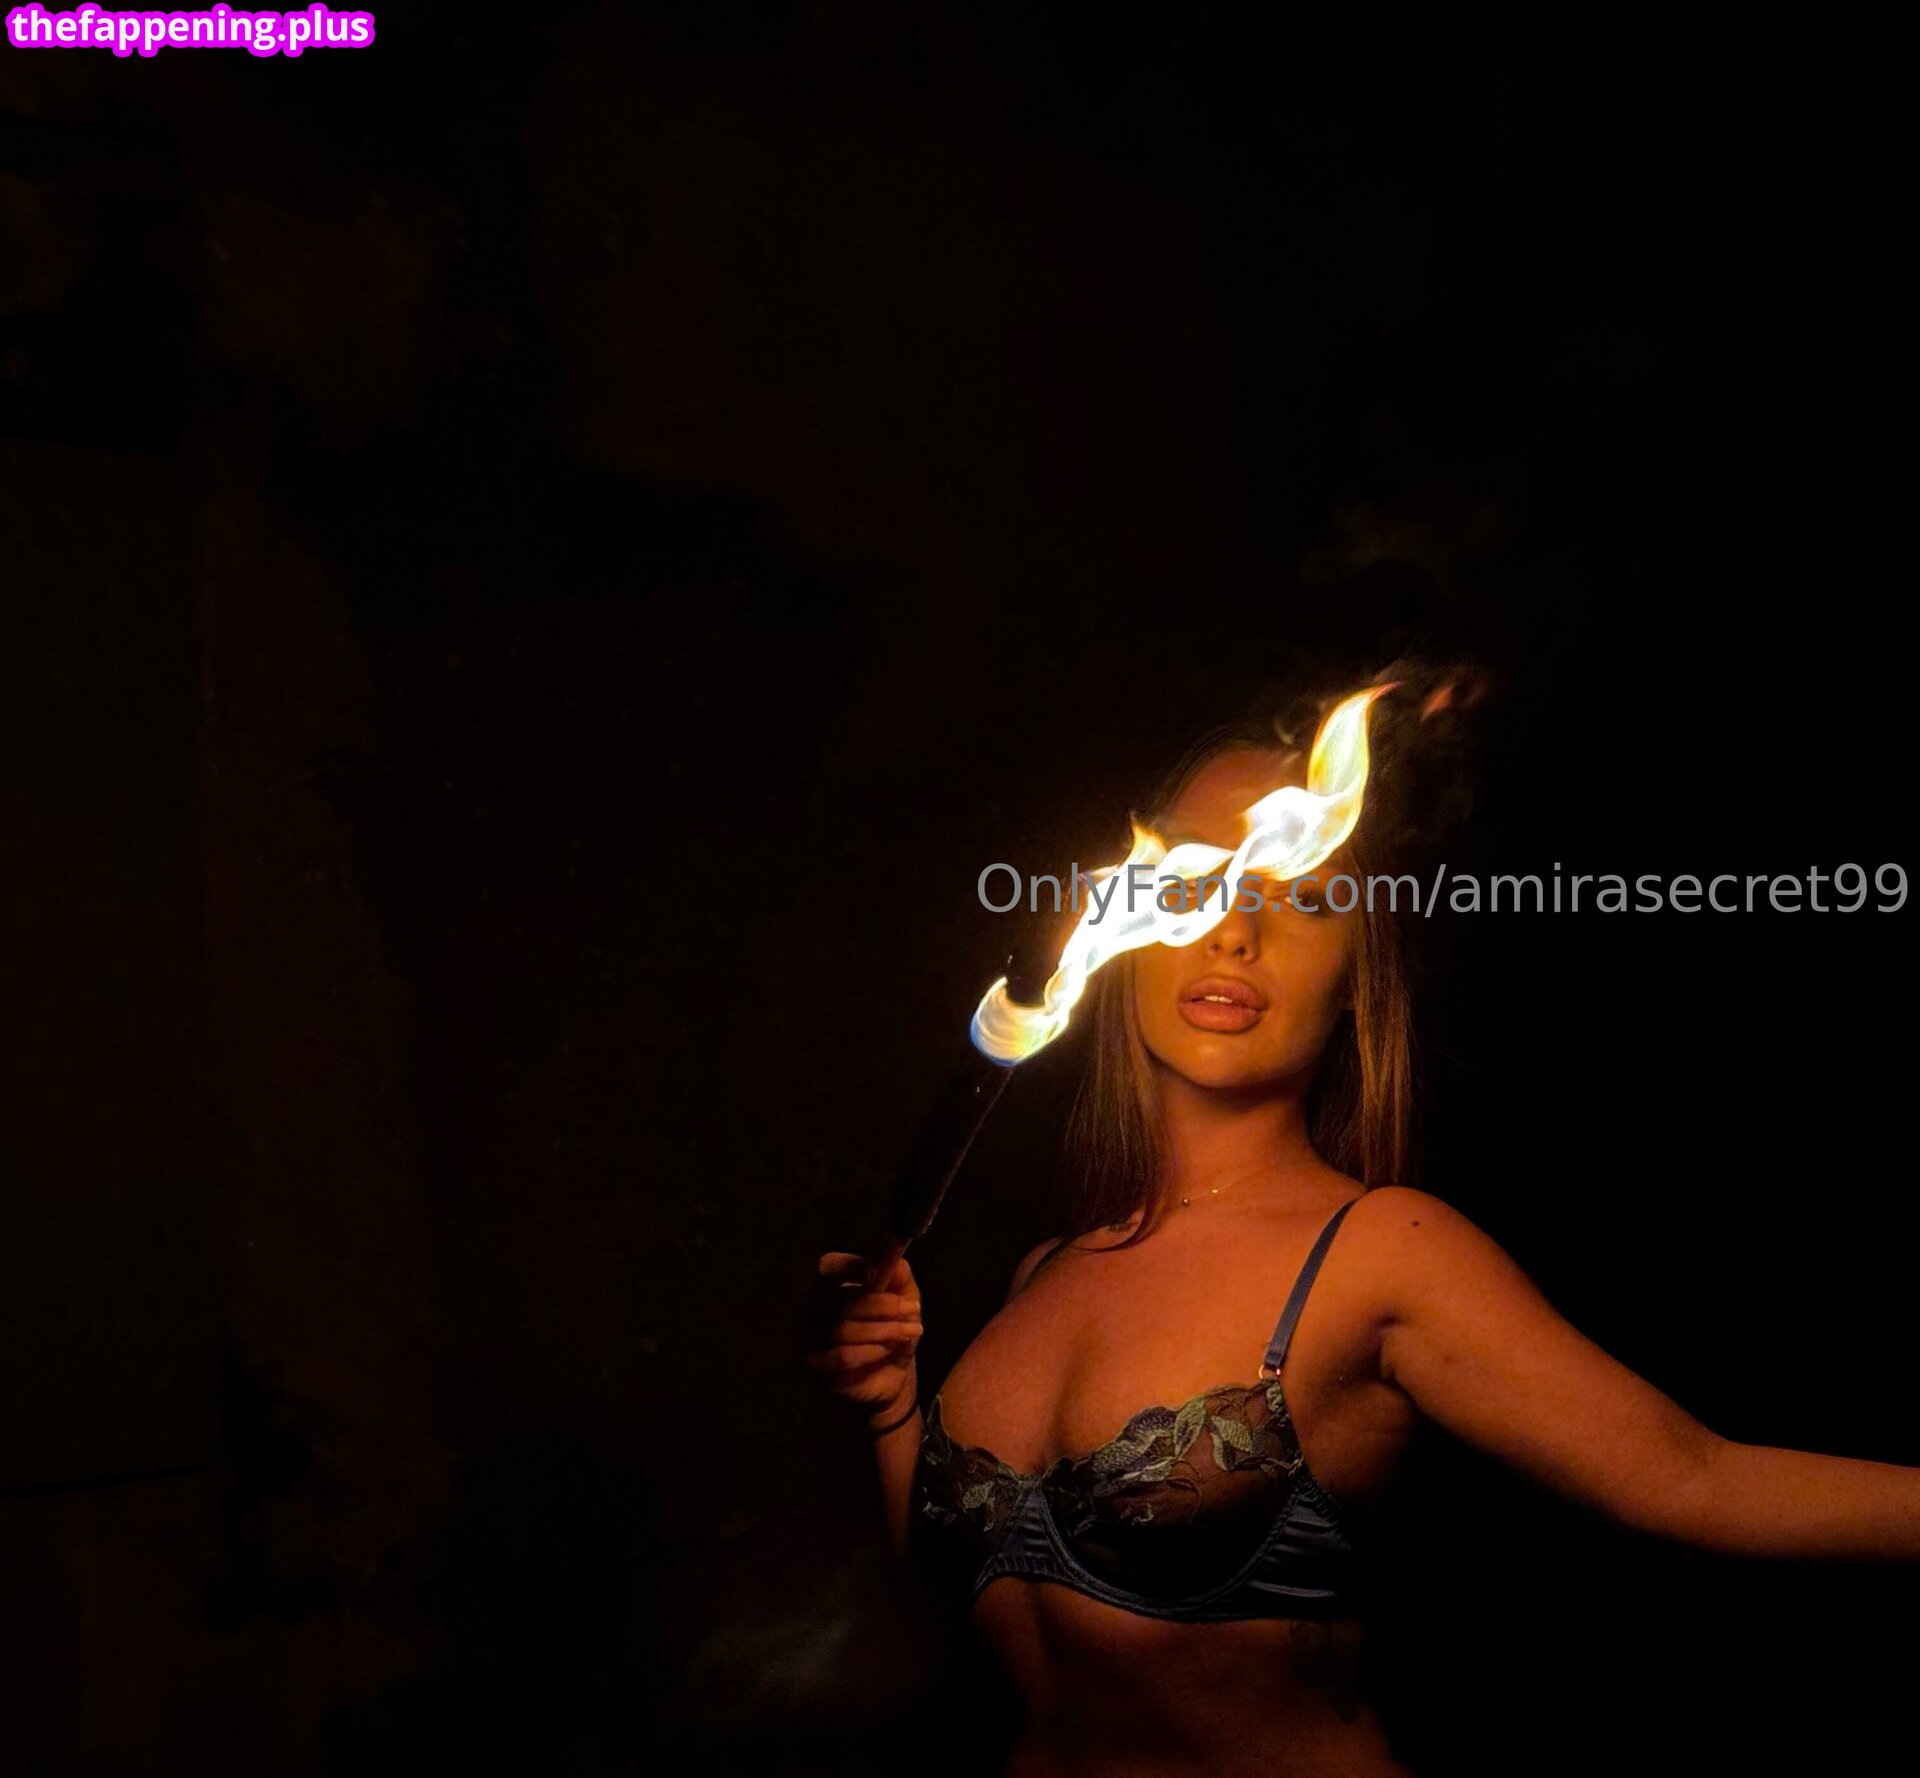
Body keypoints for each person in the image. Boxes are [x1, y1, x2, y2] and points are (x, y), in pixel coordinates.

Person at [806, 663, 1920, 1778]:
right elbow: (966, 1621)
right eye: (1193, 879)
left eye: (1302, 894)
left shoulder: (1380, 1251)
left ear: (1354, 974)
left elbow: (1695, 1478)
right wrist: (893, 1407)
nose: (1236, 929)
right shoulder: (1043, 1271)